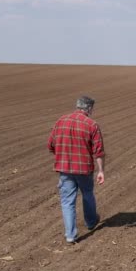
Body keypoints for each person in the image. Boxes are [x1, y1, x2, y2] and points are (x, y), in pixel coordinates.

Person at [47, 96, 105, 244]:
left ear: (77, 106)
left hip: (64, 168)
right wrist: (101, 171)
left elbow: (51, 145)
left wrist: (63, 155)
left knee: (67, 201)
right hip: (84, 169)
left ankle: (70, 235)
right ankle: (91, 222)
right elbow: (98, 151)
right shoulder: (92, 125)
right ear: (89, 108)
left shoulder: (60, 121)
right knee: (87, 194)